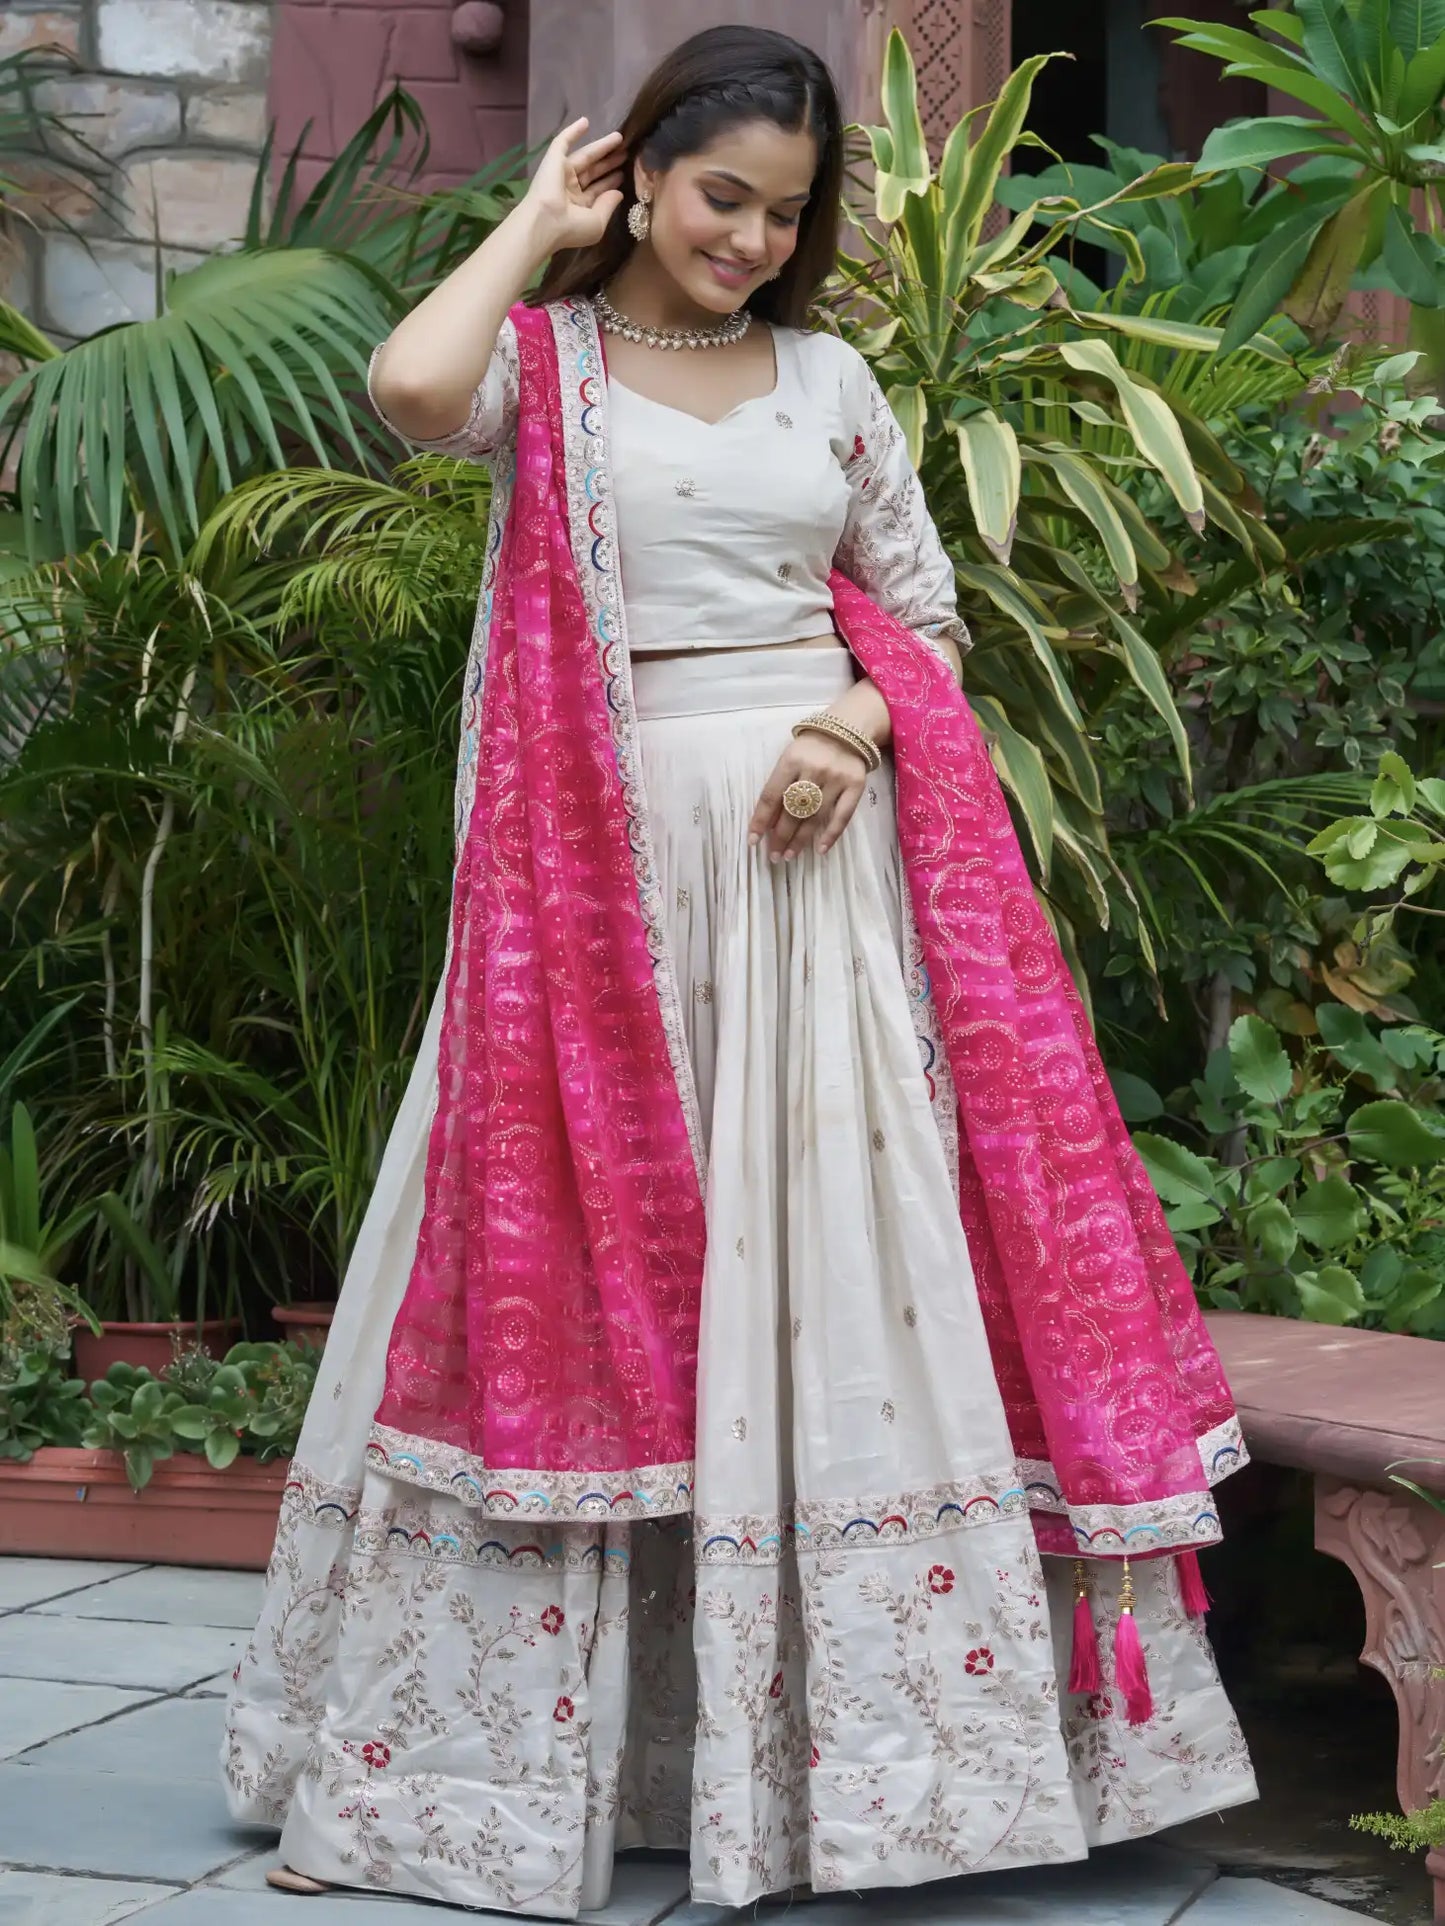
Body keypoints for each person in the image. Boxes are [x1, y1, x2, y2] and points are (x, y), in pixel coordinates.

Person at [224, 24, 1256, 1917]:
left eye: (786, 214)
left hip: (808, 871)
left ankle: (853, 1773)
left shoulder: (833, 376)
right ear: (643, 175)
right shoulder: (547, 367)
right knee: (594, 1274)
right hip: (595, 878)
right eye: (721, 199)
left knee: (819, 1276)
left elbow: (923, 618)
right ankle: (540, 1761)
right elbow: (402, 385)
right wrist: (536, 221)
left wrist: (855, 728)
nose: (753, 243)